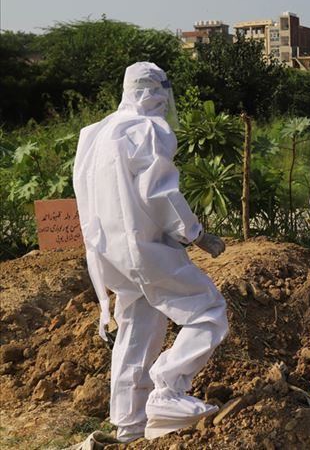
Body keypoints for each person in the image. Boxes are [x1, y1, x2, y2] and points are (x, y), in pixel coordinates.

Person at [72, 62, 229, 442]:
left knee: (137, 328)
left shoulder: (97, 133)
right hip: (144, 250)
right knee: (208, 312)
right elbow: (159, 192)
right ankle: (168, 390)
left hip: (109, 253)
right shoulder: (146, 129)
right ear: (156, 92)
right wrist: (195, 233)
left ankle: (129, 424)